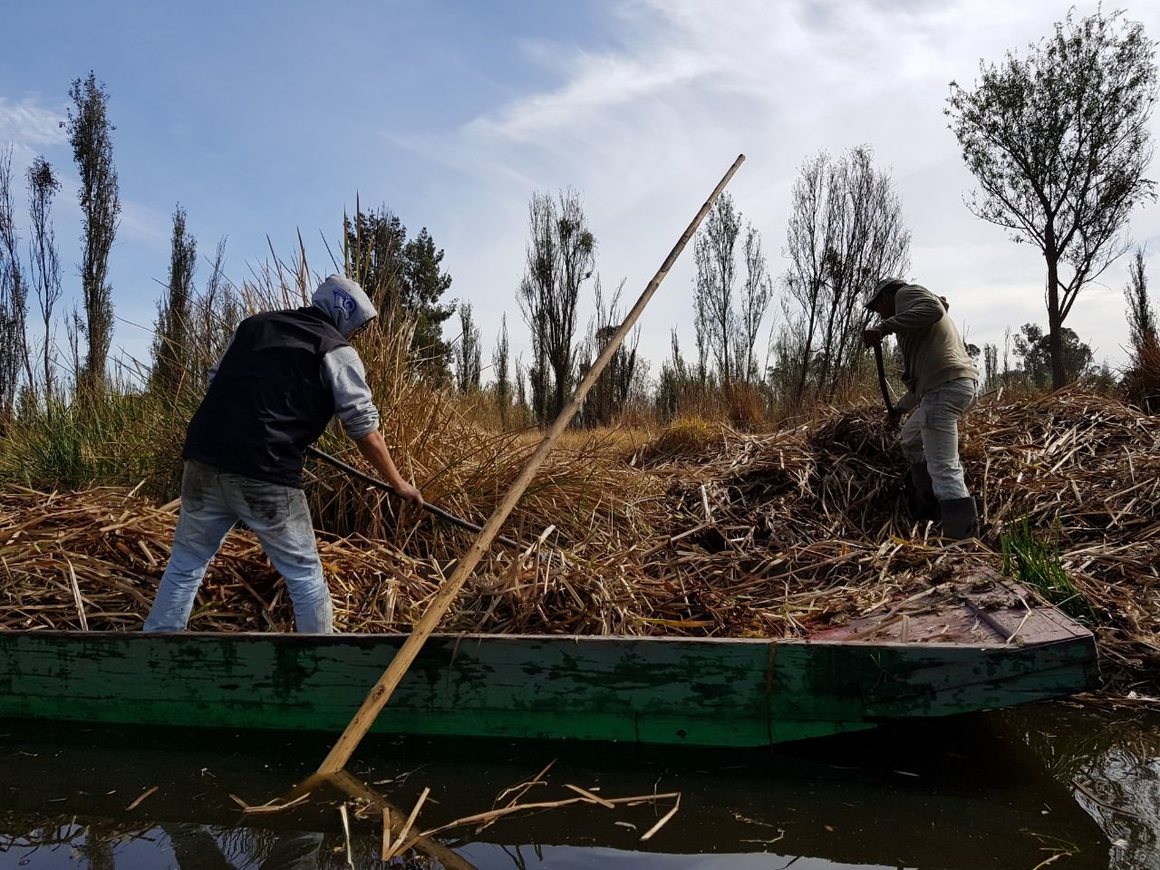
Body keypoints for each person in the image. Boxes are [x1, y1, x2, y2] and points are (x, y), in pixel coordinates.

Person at [143, 275, 423, 634]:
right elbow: (363, 428)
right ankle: (320, 664)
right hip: (266, 470)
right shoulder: (336, 349)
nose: (355, 335)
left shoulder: (253, 326)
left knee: (186, 561)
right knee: (305, 574)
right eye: (356, 328)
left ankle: (156, 652)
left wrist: (270, 418)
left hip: (203, 458)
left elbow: (219, 381)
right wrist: (399, 483)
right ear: (344, 315)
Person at [862, 277, 979, 539]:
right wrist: (897, 411)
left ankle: (962, 541)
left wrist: (883, 327)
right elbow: (920, 388)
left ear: (886, 297)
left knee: (943, 466)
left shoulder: (905, 294)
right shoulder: (917, 334)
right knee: (910, 439)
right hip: (945, 387)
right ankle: (929, 507)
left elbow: (934, 309)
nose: (878, 312)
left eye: (877, 306)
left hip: (945, 389)